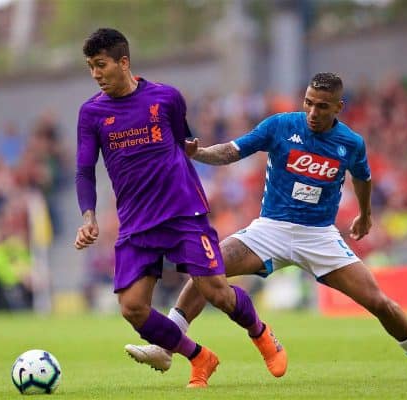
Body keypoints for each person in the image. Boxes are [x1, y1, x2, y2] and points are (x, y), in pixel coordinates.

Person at [125, 72, 407, 381]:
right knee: (207, 267)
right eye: (309, 102)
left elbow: (363, 178)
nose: (313, 111)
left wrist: (366, 215)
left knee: (380, 303)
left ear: (339, 107)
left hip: (319, 236)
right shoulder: (281, 126)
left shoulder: (350, 143)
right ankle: (166, 346)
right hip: (270, 229)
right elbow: (233, 151)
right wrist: (200, 154)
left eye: (322, 106)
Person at [74, 28, 287, 388]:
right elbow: (83, 169)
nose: (95, 74)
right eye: (90, 67)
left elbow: (183, 142)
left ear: (123, 63)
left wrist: (192, 149)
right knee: (132, 308)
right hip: (136, 222)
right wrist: (89, 216)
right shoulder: (92, 113)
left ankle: (262, 334)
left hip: (182, 212)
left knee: (215, 291)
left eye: (101, 65)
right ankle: (200, 357)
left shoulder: (167, 98)